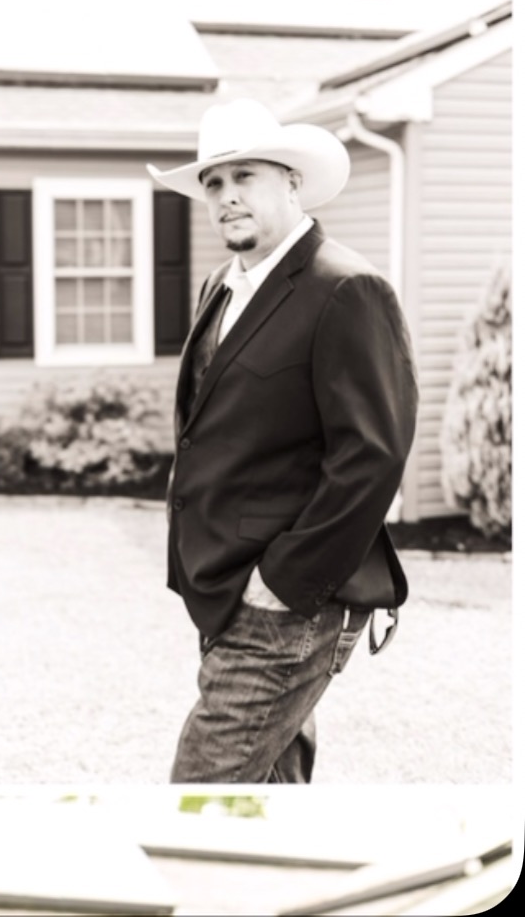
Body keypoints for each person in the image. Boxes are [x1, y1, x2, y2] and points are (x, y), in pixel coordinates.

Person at [148, 99, 417, 783]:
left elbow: (371, 456)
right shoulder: (221, 284)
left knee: (200, 794)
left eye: (244, 176)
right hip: (224, 586)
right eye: (212, 182)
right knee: (269, 790)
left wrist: (282, 582)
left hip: (288, 599)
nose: (225, 196)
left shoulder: (344, 288)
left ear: (291, 182)